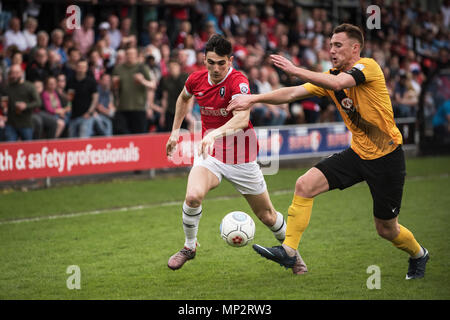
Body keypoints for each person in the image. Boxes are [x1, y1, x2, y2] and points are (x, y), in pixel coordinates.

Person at [227, 23, 429, 280]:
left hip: (386, 158)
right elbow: (292, 94)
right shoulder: (330, 75)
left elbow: (336, 82)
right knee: (304, 184)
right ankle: (289, 251)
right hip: (357, 154)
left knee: (387, 229)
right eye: (330, 45)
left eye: (338, 45)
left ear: (355, 48)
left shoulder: (368, 67)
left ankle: (419, 254)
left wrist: (295, 69)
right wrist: (253, 99)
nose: (331, 50)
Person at [166, 34, 289, 272]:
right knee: (192, 197)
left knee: (268, 216)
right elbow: (183, 99)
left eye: (221, 63)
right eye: (211, 62)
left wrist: (214, 133)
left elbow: (243, 118)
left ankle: (293, 254)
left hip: (241, 157)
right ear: (204, 60)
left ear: (230, 61)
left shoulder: (238, 82)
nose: (216, 68)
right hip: (210, 154)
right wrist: (174, 131)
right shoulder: (195, 80)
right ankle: (189, 247)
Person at [112, 46, 155, 134]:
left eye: (132, 54)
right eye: (128, 54)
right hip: (122, 108)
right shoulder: (118, 69)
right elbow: (113, 89)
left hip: (139, 107)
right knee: (120, 133)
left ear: (136, 55)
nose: (130, 56)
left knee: (139, 135)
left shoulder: (142, 68)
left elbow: (153, 85)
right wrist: (113, 84)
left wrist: (142, 81)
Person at [3, 64, 41, 141]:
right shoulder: (7, 88)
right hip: (11, 123)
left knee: (27, 148)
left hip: (26, 123)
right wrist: (4, 106)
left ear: (21, 73)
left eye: (16, 73)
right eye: (12, 73)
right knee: (10, 148)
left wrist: (26, 106)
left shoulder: (29, 86)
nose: (14, 75)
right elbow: (4, 101)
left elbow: (38, 102)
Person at [66, 59, 98, 138]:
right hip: (73, 115)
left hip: (86, 116)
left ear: (86, 69)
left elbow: (95, 98)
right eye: (79, 67)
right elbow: (70, 97)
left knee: (83, 139)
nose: (81, 69)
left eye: (83, 67)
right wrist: (69, 107)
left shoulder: (91, 82)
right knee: (72, 139)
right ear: (76, 67)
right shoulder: (71, 81)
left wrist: (89, 112)